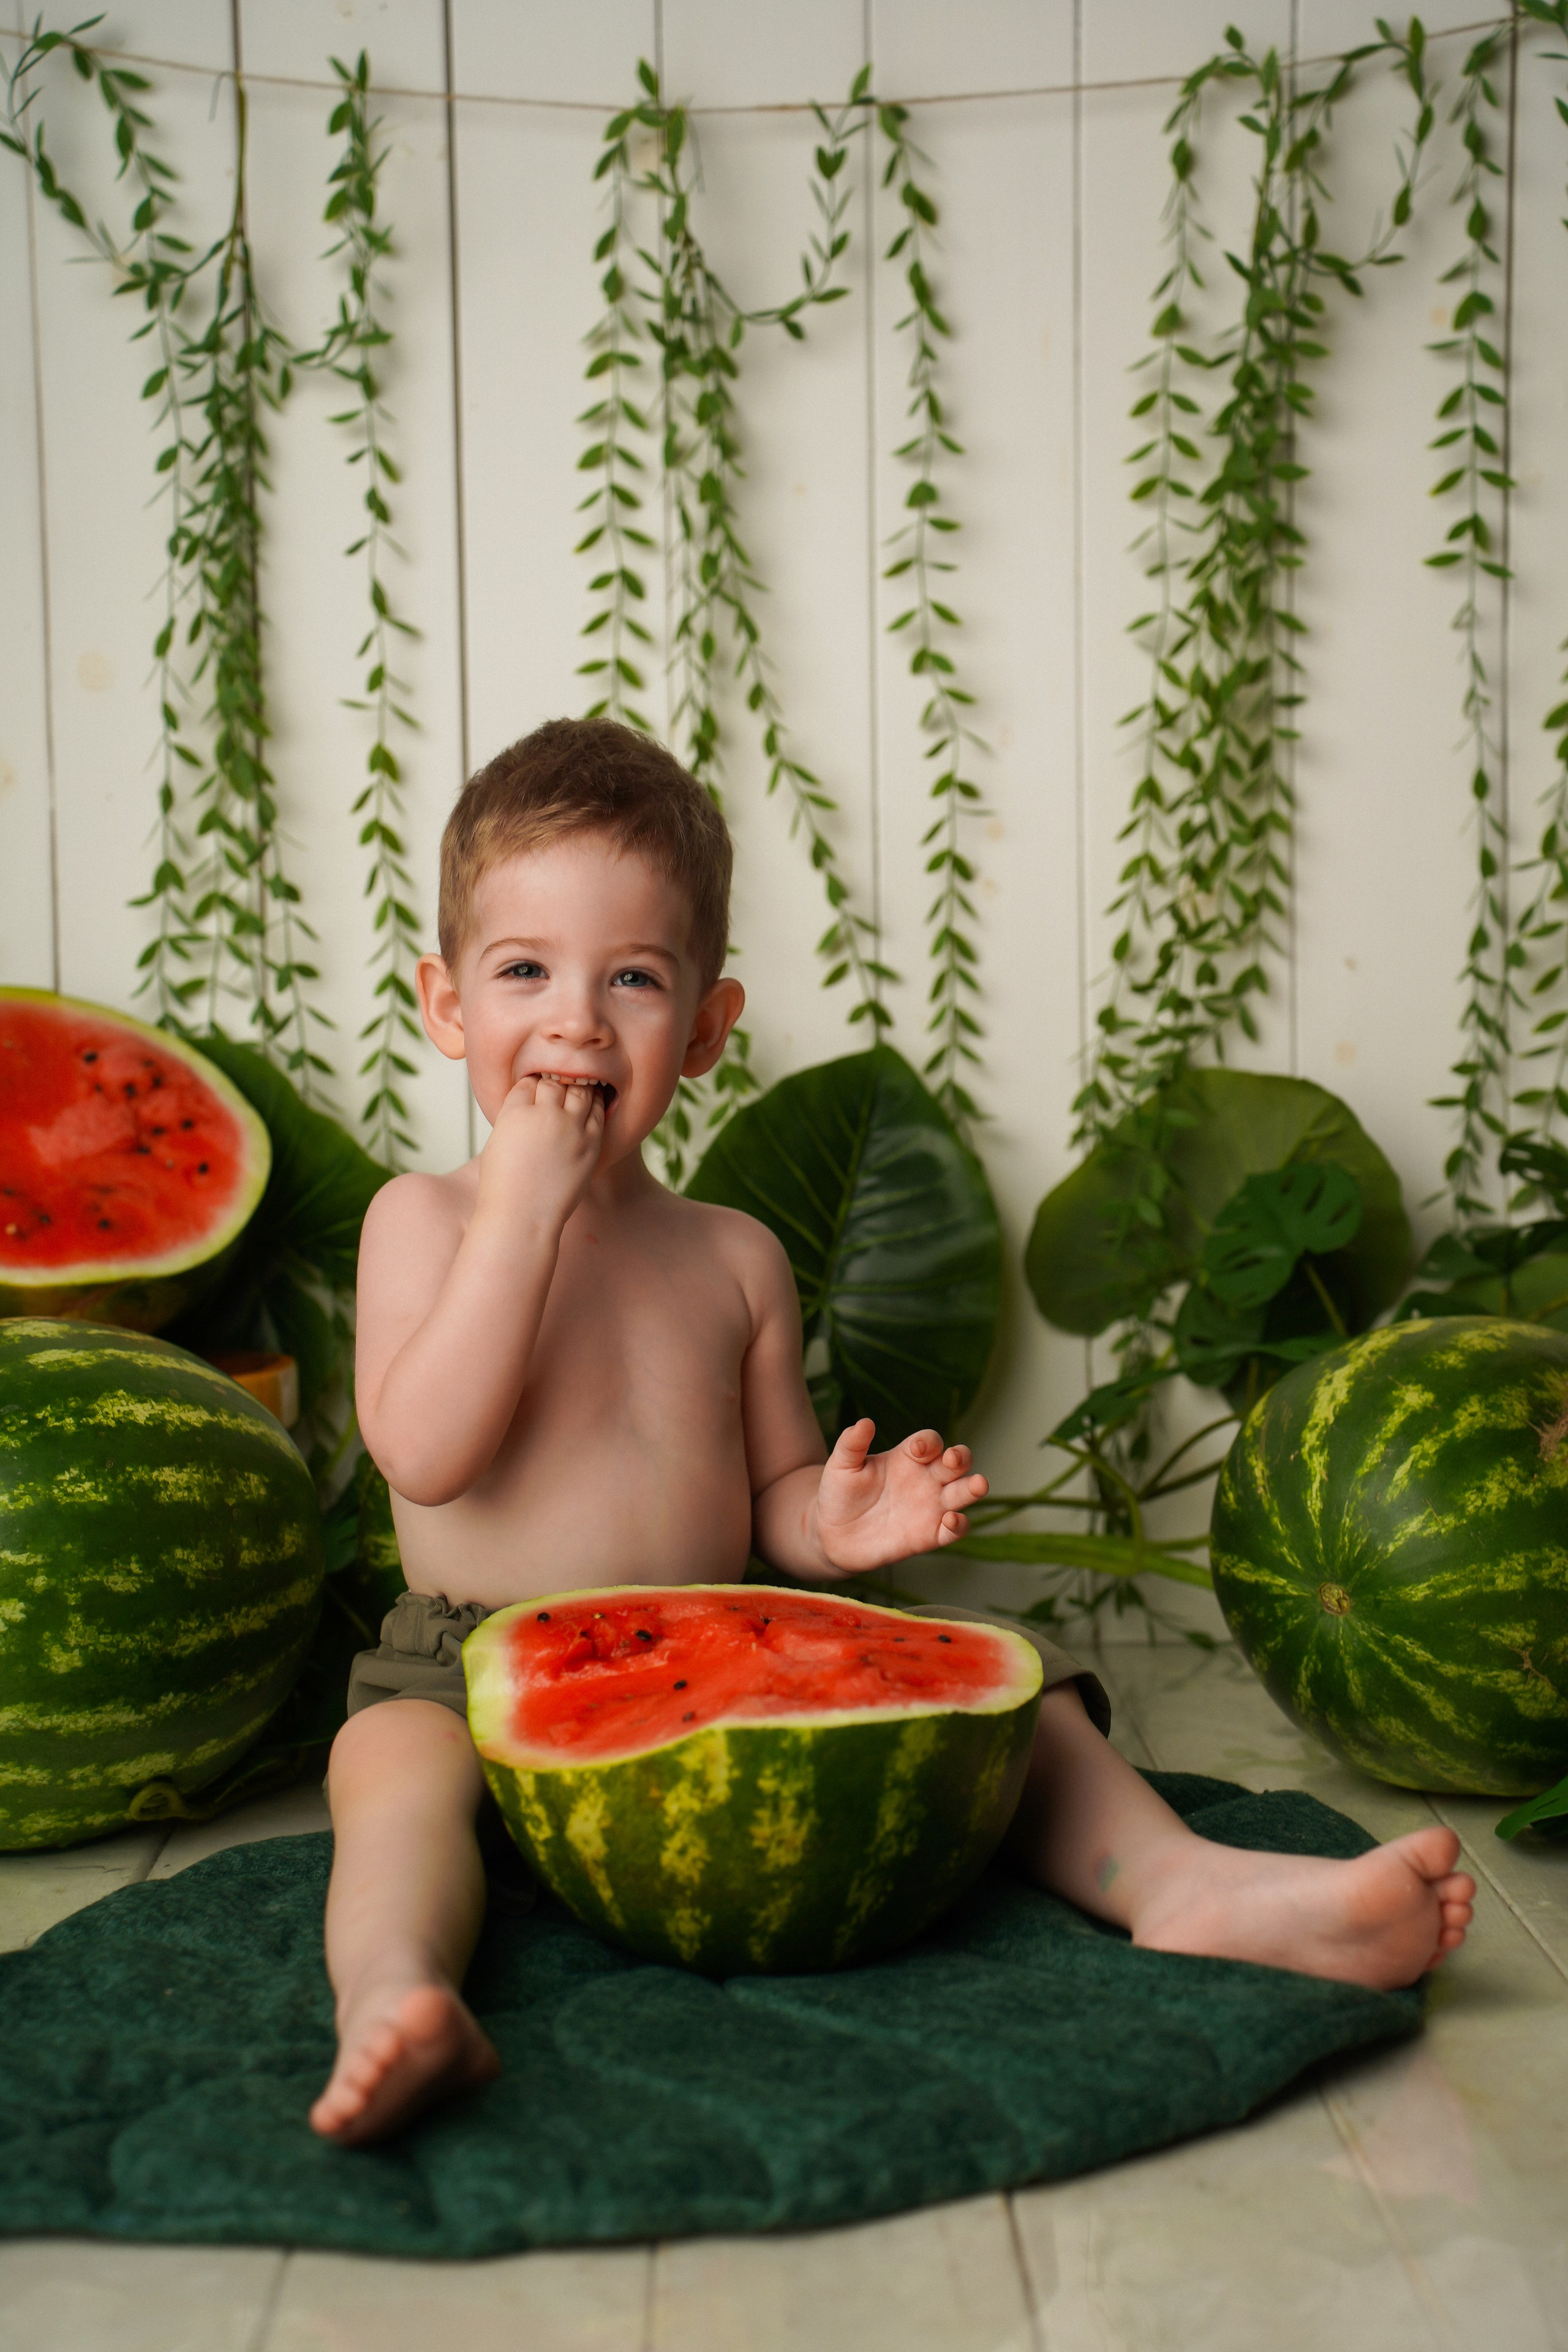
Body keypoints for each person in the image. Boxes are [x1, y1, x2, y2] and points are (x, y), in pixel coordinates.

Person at [310, 717, 1476, 2147]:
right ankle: (396, 1996)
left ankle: (1183, 1885)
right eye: (524, 973)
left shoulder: (730, 1257)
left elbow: (772, 1488)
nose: (576, 1021)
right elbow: (426, 1454)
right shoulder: (421, 1222)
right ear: (444, 1006)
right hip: (467, 1657)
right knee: (391, 1792)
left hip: (714, 1640)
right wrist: (525, 1215)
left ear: (708, 1027)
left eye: (633, 978)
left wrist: (832, 1523)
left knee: (1019, 1694)